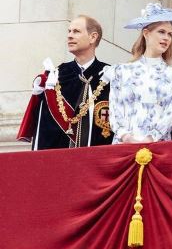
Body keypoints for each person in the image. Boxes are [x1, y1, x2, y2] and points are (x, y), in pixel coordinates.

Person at [17, 15, 112, 149]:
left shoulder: (110, 75)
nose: (69, 36)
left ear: (93, 37)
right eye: (69, 31)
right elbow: (42, 128)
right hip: (57, 162)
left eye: (76, 31)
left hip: (94, 161)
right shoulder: (56, 76)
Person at [109, 3, 172, 143]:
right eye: (161, 32)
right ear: (146, 33)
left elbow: (171, 112)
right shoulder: (121, 71)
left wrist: (151, 138)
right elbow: (115, 110)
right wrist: (126, 137)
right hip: (123, 146)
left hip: (158, 147)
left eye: (170, 34)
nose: (166, 38)